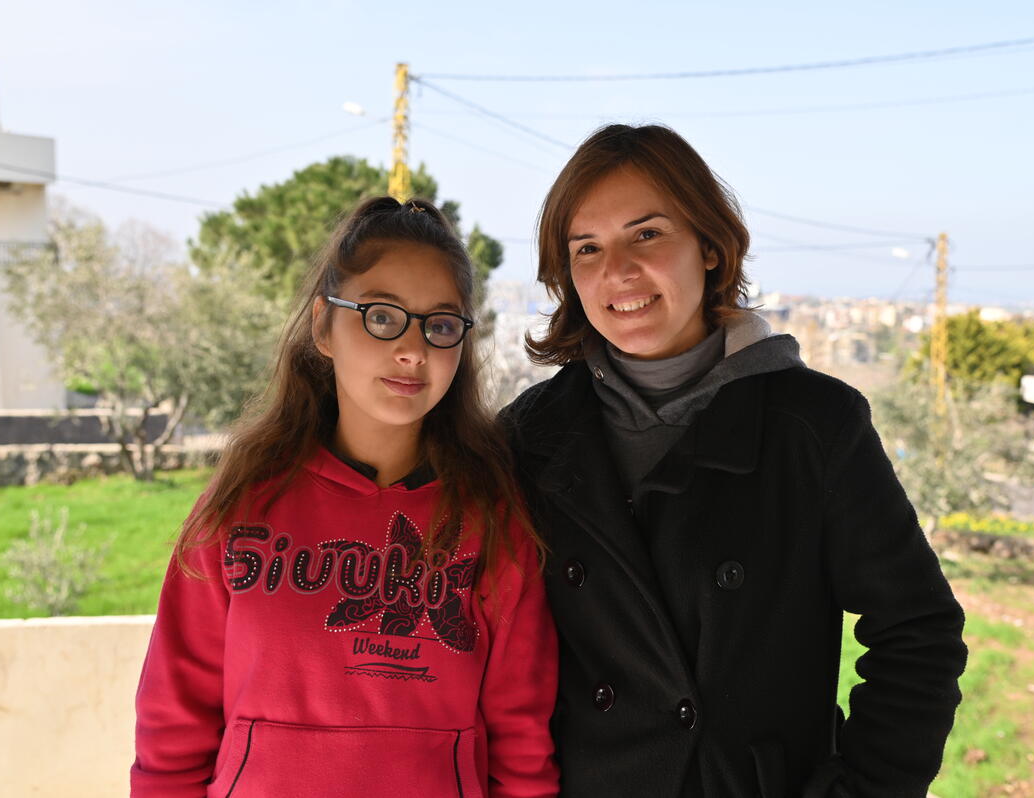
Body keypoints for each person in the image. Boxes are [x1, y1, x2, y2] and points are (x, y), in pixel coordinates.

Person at [500, 124, 967, 798]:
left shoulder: (815, 427)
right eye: (588, 248)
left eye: (648, 234)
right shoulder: (529, 438)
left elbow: (919, 633)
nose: (619, 272)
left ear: (712, 247)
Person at [132, 197, 558, 798]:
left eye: (439, 324)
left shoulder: (494, 522)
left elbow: (522, 746)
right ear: (321, 327)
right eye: (381, 316)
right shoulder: (241, 506)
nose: (413, 349)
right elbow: (172, 729)